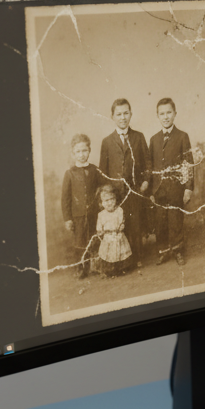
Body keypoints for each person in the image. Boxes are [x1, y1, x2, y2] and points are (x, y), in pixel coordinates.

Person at [98, 98, 149, 267]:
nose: (123, 117)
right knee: (117, 226)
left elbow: (148, 163)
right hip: (115, 193)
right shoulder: (107, 141)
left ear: (131, 114)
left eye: (126, 113)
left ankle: (138, 257)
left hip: (133, 190)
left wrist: (145, 182)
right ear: (112, 116)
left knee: (135, 224)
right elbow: (103, 170)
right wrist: (107, 194)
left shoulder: (139, 137)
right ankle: (119, 261)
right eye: (119, 114)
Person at [148, 97, 194, 266]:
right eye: (162, 114)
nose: (165, 116)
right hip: (158, 190)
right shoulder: (153, 140)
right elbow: (150, 167)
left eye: (169, 113)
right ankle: (163, 251)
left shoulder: (182, 137)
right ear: (157, 116)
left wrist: (188, 188)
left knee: (175, 220)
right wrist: (151, 191)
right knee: (160, 222)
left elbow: (188, 164)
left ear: (175, 114)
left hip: (176, 188)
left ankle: (178, 251)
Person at [60, 133, 102, 279]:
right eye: (78, 151)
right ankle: (81, 269)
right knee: (80, 243)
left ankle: (95, 267)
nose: (81, 154)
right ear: (73, 153)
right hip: (77, 216)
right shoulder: (69, 173)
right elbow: (65, 199)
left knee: (95, 239)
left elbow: (102, 188)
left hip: (94, 214)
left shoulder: (95, 170)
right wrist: (67, 219)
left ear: (89, 151)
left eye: (84, 150)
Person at [95, 184, 133, 277]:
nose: (109, 203)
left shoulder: (119, 210)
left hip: (118, 235)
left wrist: (120, 227)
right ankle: (110, 270)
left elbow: (121, 221)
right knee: (109, 254)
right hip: (108, 237)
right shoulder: (101, 214)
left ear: (116, 200)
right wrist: (100, 231)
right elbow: (99, 226)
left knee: (120, 251)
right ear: (102, 203)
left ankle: (121, 268)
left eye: (112, 200)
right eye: (106, 201)